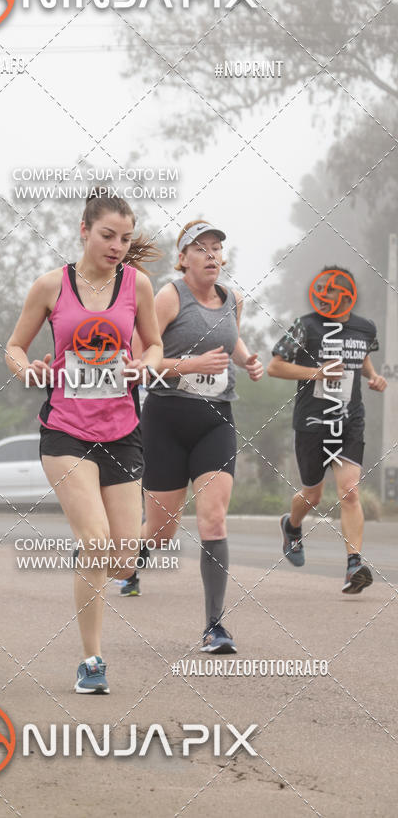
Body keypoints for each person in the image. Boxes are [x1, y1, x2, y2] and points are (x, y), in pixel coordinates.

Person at [5, 190, 162, 694]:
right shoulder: (52, 286)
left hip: (122, 429)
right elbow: (14, 346)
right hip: (66, 431)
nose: (117, 246)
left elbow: (155, 344)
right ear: (84, 230)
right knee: (95, 545)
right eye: (107, 236)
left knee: (124, 555)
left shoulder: (137, 286)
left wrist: (148, 364)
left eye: (124, 238)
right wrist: (24, 367)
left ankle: (97, 562)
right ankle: (92, 661)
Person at [137, 220, 263, 654]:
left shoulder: (233, 300)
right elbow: (139, 361)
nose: (211, 255)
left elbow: (231, 339)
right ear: (183, 257)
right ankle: (128, 552)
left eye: (216, 248)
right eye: (201, 248)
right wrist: (189, 365)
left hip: (216, 418)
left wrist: (247, 360)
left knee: (213, 518)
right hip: (166, 419)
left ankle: (215, 626)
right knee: (162, 533)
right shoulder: (169, 297)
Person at [268, 266, 387, 593]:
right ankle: (291, 526)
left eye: (330, 289)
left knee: (349, 491)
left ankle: (353, 566)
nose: (323, 294)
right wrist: (316, 372)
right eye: (320, 288)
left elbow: (361, 360)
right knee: (313, 494)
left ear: (347, 292)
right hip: (313, 422)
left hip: (350, 419)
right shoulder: (306, 326)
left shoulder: (365, 328)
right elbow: (274, 366)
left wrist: (373, 377)